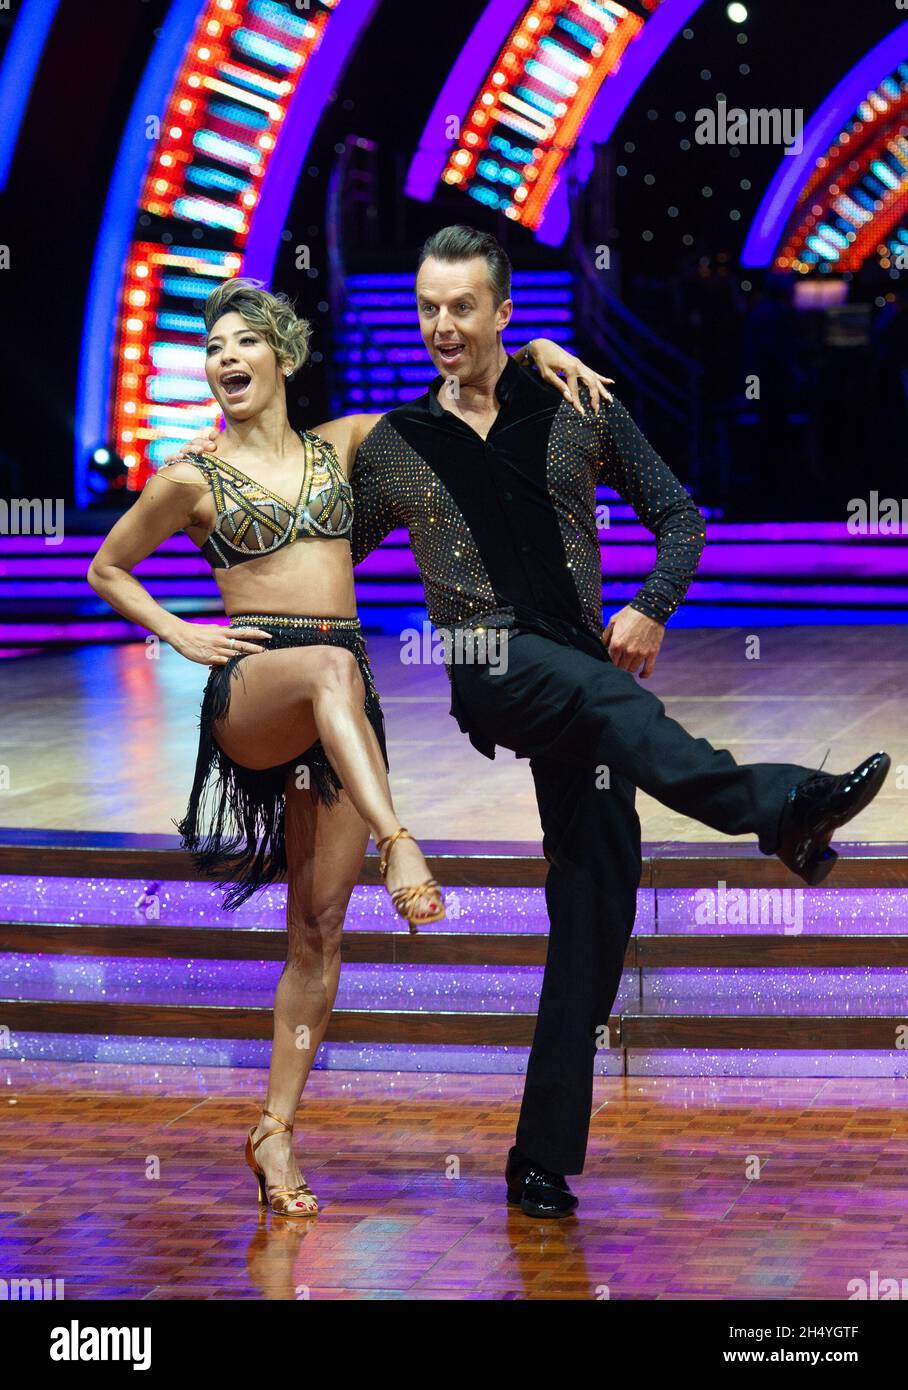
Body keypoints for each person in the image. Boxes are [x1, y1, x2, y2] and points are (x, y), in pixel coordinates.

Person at [187, 229, 890, 1220]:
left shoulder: (572, 405)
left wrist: (648, 602)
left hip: (578, 670)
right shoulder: (393, 446)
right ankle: (779, 806)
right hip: (485, 662)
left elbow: (678, 517)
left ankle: (537, 1159)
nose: (441, 327)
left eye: (462, 307)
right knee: (611, 700)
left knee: (597, 909)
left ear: (502, 312)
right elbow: (299, 512)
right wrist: (217, 502)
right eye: (427, 307)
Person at [89, 276, 610, 1219]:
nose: (225, 361)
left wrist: (535, 356)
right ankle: (399, 840)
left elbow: (460, 392)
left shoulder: (350, 444)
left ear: (283, 357)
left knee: (318, 930)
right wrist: (178, 632)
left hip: (338, 709)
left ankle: (273, 1132)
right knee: (329, 667)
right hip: (256, 689)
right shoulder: (191, 476)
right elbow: (107, 565)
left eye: (243, 343)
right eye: (212, 350)